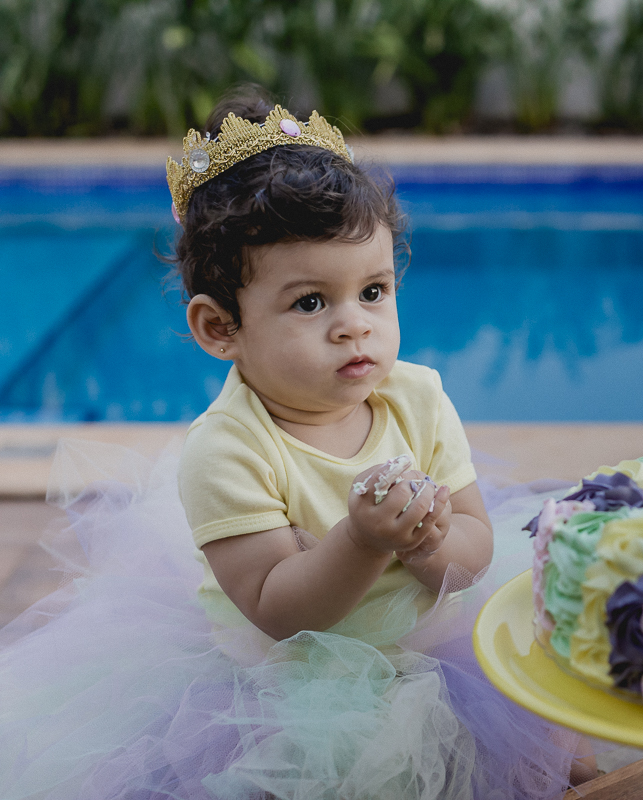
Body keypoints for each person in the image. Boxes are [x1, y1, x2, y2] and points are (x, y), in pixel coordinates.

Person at [0, 89, 594, 799]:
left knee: (548, 747)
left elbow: (473, 546)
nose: (354, 326)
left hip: (439, 650)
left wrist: (433, 545)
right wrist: (364, 541)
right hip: (298, 691)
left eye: (373, 291)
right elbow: (281, 610)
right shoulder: (228, 451)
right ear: (220, 328)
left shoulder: (419, 397)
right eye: (311, 302)